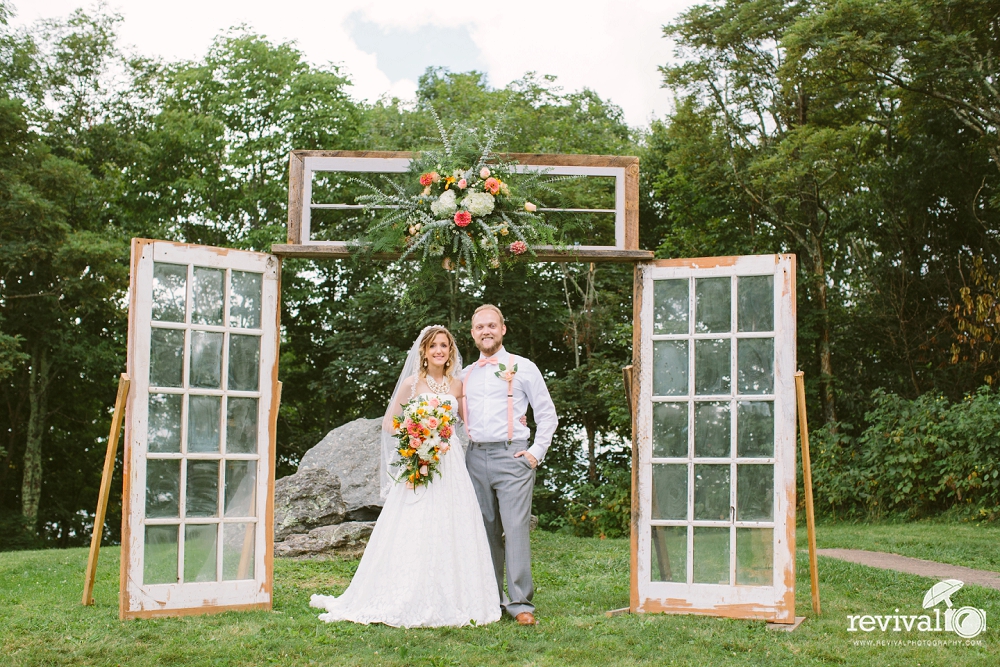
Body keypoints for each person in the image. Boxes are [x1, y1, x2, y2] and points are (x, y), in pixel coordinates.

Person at [309, 325, 501, 627]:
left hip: (449, 462)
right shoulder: (412, 384)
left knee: (452, 522)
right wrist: (419, 434)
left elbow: (470, 421)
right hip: (421, 461)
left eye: (445, 345)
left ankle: (455, 595)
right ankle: (406, 588)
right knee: (417, 522)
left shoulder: (457, 386)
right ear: (423, 351)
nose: (440, 350)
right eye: (434, 345)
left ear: (450, 352)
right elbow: (389, 423)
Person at [462, 304, 559, 626]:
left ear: (503, 329)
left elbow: (547, 414)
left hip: (513, 456)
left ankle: (519, 603)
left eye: (491, 325)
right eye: (480, 327)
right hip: (474, 457)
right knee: (485, 529)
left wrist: (535, 452)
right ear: (473, 333)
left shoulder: (523, 367)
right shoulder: (464, 375)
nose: (486, 331)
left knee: (515, 529)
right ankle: (490, 599)